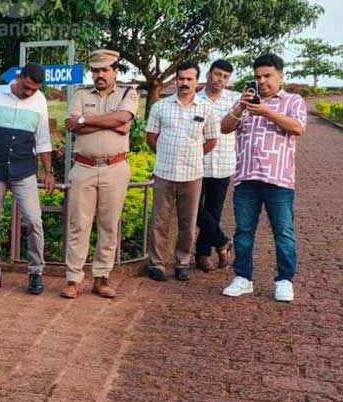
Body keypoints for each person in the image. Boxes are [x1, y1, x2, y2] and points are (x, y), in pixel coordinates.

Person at [219, 53, 307, 302]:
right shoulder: (245, 102)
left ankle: (285, 280)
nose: (263, 81)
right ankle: (243, 278)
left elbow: (297, 128)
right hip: (246, 178)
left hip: (279, 180)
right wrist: (241, 106)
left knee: (283, 232)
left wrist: (266, 111)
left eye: (268, 76)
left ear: (281, 75)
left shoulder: (293, 101)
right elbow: (225, 127)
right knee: (243, 232)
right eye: (258, 77)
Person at [0, 63, 55, 294]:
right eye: (26, 87)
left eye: (34, 90)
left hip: (24, 170)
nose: (29, 93)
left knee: (34, 221)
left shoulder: (40, 101)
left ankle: (36, 273)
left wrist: (48, 171)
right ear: (20, 77)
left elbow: (43, 140)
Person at [61, 49, 139, 299]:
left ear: (115, 71)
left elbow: (125, 117)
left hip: (115, 168)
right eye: (95, 70)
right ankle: (73, 279)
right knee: (78, 225)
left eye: (104, 70)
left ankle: (101, 278)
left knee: (108, 225)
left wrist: (86, 120)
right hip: (83, 167)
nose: (99, 75)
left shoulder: (129, 92)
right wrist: (112, 123)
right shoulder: (80, 94)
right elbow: (73, 125)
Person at [144, 62, 219, 281]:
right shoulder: (161, 106)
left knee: (188, 222)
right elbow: (151, 138)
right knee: (159, 221)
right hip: (164, 172)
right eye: (181, 79)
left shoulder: (206, 109)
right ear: (176, 80)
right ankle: (157, 264)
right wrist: (168, 154)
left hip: (192, 174)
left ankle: (182, 262)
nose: (184, 83)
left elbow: (212, 140)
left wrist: (192, 155)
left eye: (189, 79)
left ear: (197, 81)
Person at [195, 59, 241, 271]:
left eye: (225, 76)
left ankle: (202, 255)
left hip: (223, 163)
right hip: (196, 162)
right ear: (208, 75)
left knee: (214, 211)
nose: (220, 79)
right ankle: (223, 241)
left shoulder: (235, 100)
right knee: (192, 208)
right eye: (217, 74)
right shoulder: (195, 99)